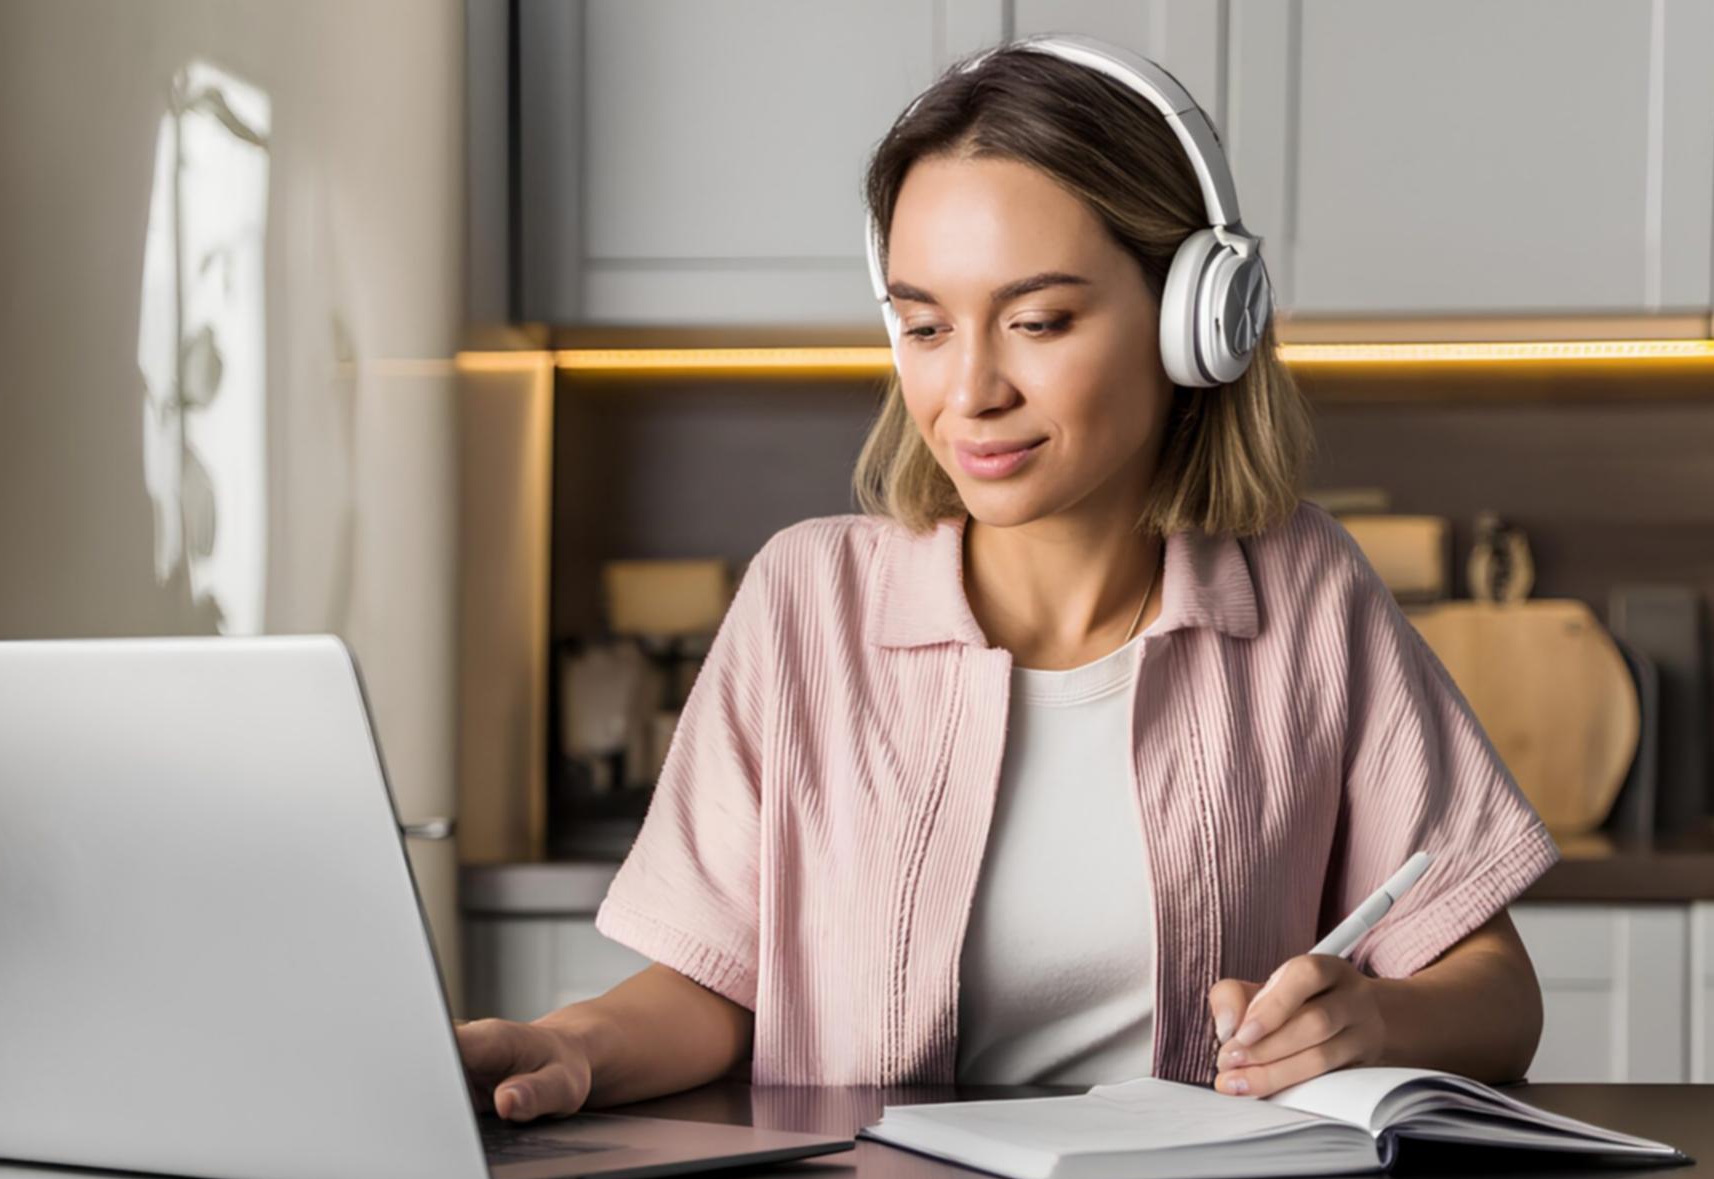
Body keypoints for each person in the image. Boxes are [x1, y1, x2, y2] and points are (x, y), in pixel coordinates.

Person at [456, 35, 1557, 1123]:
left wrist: (1372, 1022)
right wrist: (569, 1046)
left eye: (1036, 321)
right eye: (926, 326)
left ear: (1196, 321)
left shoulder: (1306, 592)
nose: (969, 388)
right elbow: (710, 984)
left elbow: (1497, 992)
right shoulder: (804, 601)